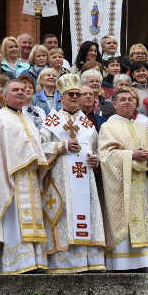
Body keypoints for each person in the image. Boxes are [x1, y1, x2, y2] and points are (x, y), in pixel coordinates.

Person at [0, 80, 49, 274]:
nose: (20, 93)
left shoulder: (27, 117)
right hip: (11, 177)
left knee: (34, 219)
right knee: (15, 221)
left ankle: (35, 261)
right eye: (15, 90)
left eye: (23, 90)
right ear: (5, 96)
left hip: (31, 177)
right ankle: (18, 263)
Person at [39, 74, 106, 272]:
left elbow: (96, 149)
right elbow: (40, 148)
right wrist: (62, 146)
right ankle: (64, 264)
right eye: (71, 94)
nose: (75, 97)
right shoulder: (51, 121)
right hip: (61, 180)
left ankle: (89, 262)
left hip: (86, 179)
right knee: (65, 216)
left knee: (87, 213)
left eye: (78, 94)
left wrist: (96, 160)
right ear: (62, 97)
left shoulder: (88, 124)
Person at [98, 88, 148, 271]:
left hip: (141, 181)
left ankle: (143, 262)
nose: (127, 102)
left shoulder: (141, 127)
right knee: (124, 221)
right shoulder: (108, 126)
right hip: (120, 184)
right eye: (122, 99)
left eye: (130, 99)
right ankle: (121, 263)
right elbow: (105, 156)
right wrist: (131, 155)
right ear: (114, 104)